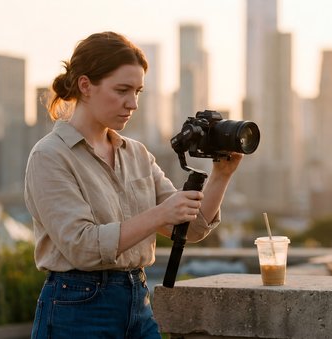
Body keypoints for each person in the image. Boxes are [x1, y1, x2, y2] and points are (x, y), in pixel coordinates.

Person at [24, 31, 243, 338]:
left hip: (138, 302)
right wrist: (159, 215)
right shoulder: (50, 156)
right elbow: (83, 247)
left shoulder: (136, 154)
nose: (133, 103)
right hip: (77, 306)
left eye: (138, 91)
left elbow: (189, 229)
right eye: (123, 90)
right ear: (85, 86)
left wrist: (221, 175)